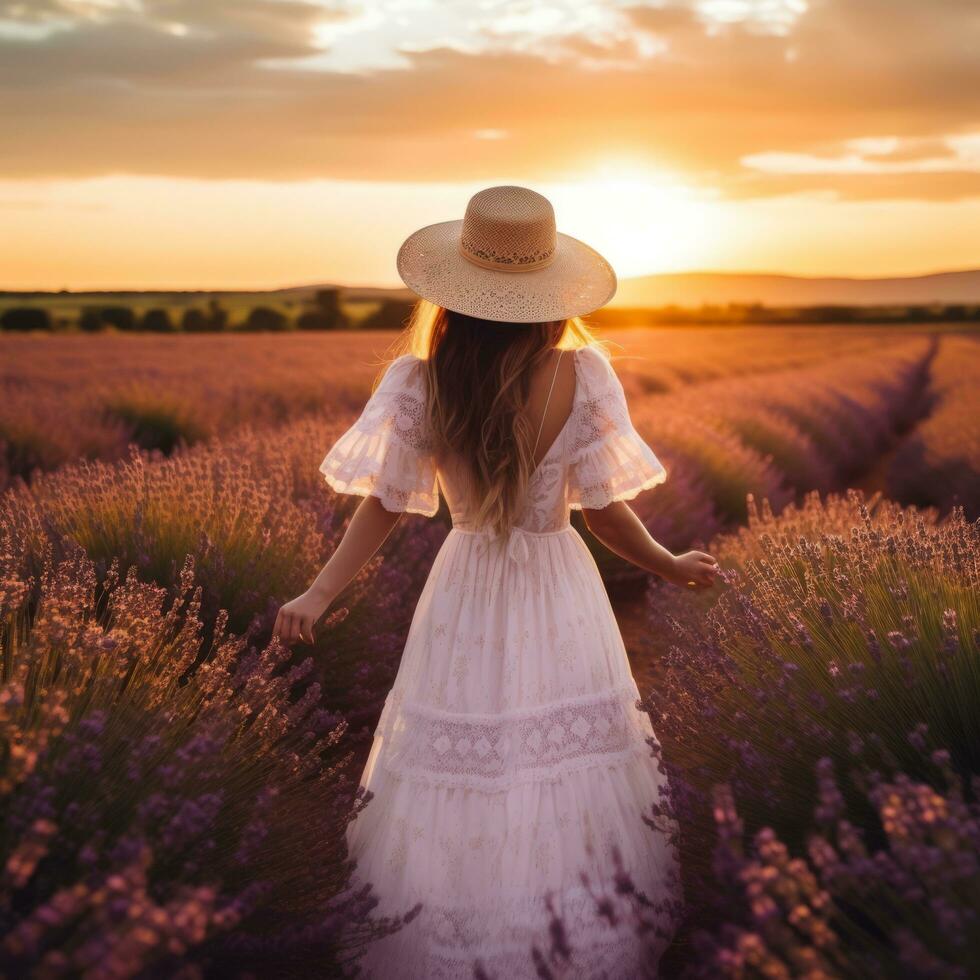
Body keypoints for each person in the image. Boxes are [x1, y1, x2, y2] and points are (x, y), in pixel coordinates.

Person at [273, 186, 719, 978]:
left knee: (461, 754)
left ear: (454, 293)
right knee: (563, 757)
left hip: (465, 586)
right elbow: (606, 515)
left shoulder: (420, 380)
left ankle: (452, 935)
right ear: (551, 295)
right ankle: (572, 932)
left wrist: (319, 592)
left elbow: (383, 507)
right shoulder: (583, 373)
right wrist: (670, 565)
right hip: (559, 586)